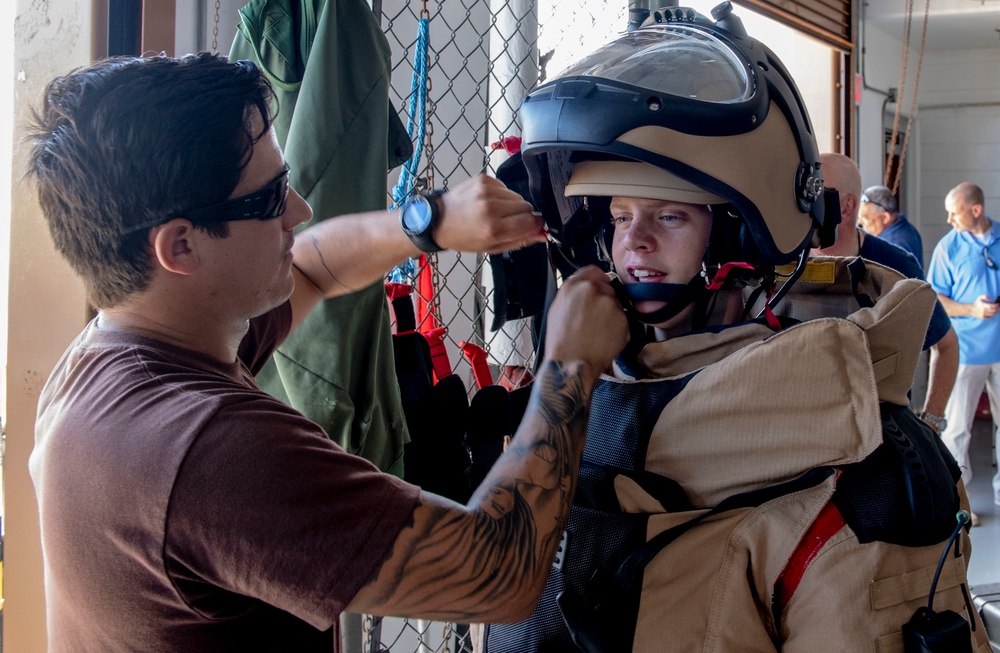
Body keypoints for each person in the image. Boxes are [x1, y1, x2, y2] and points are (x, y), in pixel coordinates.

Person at [26, 53, 630, 652]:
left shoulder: (116, 350)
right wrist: (569, 363)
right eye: (268, 201)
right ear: (179, 247)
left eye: (285, 183)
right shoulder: (208, 451)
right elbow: (498, 576)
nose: (300, 211)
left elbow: (313, 266)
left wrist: (431, 221)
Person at [480, 6, 986, 652]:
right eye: (619, 213)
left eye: (666, 216)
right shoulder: (578, 394)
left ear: (736, 234)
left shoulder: (856, 474)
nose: (631, 239)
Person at [815, 154, 958, 438]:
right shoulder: (781, 263)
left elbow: (948, 346)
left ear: (847, 206)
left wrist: (930, 425)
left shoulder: (896, 267)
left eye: (817, 194)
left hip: (880, 443)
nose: (805, 205)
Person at [927, 181, 1000, 518]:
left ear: (976, 210)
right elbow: (936, 298)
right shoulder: (948, 248)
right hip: (967, 351)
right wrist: (972, 309)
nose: (949, 220)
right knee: (957, 429)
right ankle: (960, 501)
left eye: (954, 213)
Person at [857, 184, 925, 268]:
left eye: (865, 217)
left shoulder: (895, 243)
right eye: (859, 217)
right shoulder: (904, 227)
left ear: (885, 217)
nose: (859, 222)